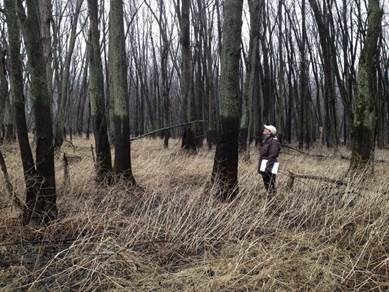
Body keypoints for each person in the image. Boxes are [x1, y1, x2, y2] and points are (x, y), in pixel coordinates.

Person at [258, 125, 281, 196]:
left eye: (266, 129)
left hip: (270, 165)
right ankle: (270, 198)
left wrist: (267, 168)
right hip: (265, 164)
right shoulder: (266, 140)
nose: (264, 129)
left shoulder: (274, 142)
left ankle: (272, 199)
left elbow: (273, 155)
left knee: (270, 184)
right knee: (267, 183)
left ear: (270, 132)